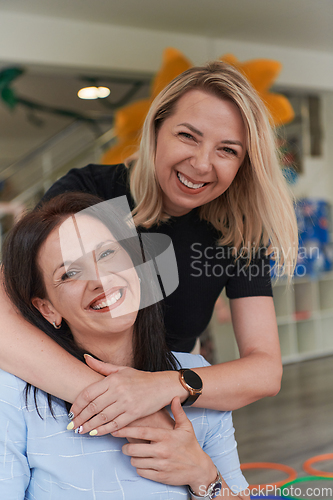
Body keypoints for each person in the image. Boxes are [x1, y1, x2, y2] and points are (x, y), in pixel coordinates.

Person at [0, 61, 298, 435]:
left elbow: (265, 370)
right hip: (70, 409)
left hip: (169, 411)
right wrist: (124, 405)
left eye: (227, 150)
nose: (201, 163)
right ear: (156, 129)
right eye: (188, 136)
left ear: (244, 163)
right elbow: (4, 316)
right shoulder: (88, 194)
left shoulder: (239, 231)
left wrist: (161, 388)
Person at [0, 192, 249, 499]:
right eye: (70, 273)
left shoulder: (196, 378)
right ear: (47, 308)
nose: (100, 279)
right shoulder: (16, 396)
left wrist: (203, 474)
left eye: (106, 255)